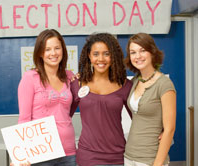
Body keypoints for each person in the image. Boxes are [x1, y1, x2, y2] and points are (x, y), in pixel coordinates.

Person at [12, 29, 76, 166]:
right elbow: (24, 118)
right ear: (40, 53)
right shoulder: (30, 78)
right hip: (41, 153)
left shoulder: (69, 77)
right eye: (47, 49)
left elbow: (67, 112)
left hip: (68, 152)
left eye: (57, 48)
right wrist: (20, 155)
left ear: (63, 50)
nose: (53, 53)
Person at [70, 33, 133, 166]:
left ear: (113, 56)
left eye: (106, 54)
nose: (101, 59)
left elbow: (138, 118)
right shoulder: (77, 84)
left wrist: (161, 131)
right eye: (96, 54)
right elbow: (63, 117)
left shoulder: (125, 85)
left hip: (117, 156)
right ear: (89, 56)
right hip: (87, 156)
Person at [124, 33, 176, 166]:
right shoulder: (136, 81)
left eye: (143, 50)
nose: (138, 56)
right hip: (129, 155)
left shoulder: (164, 84)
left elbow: (169, 129)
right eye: (133, 52)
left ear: (152, 52)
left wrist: (157, 164)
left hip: (151, 158)